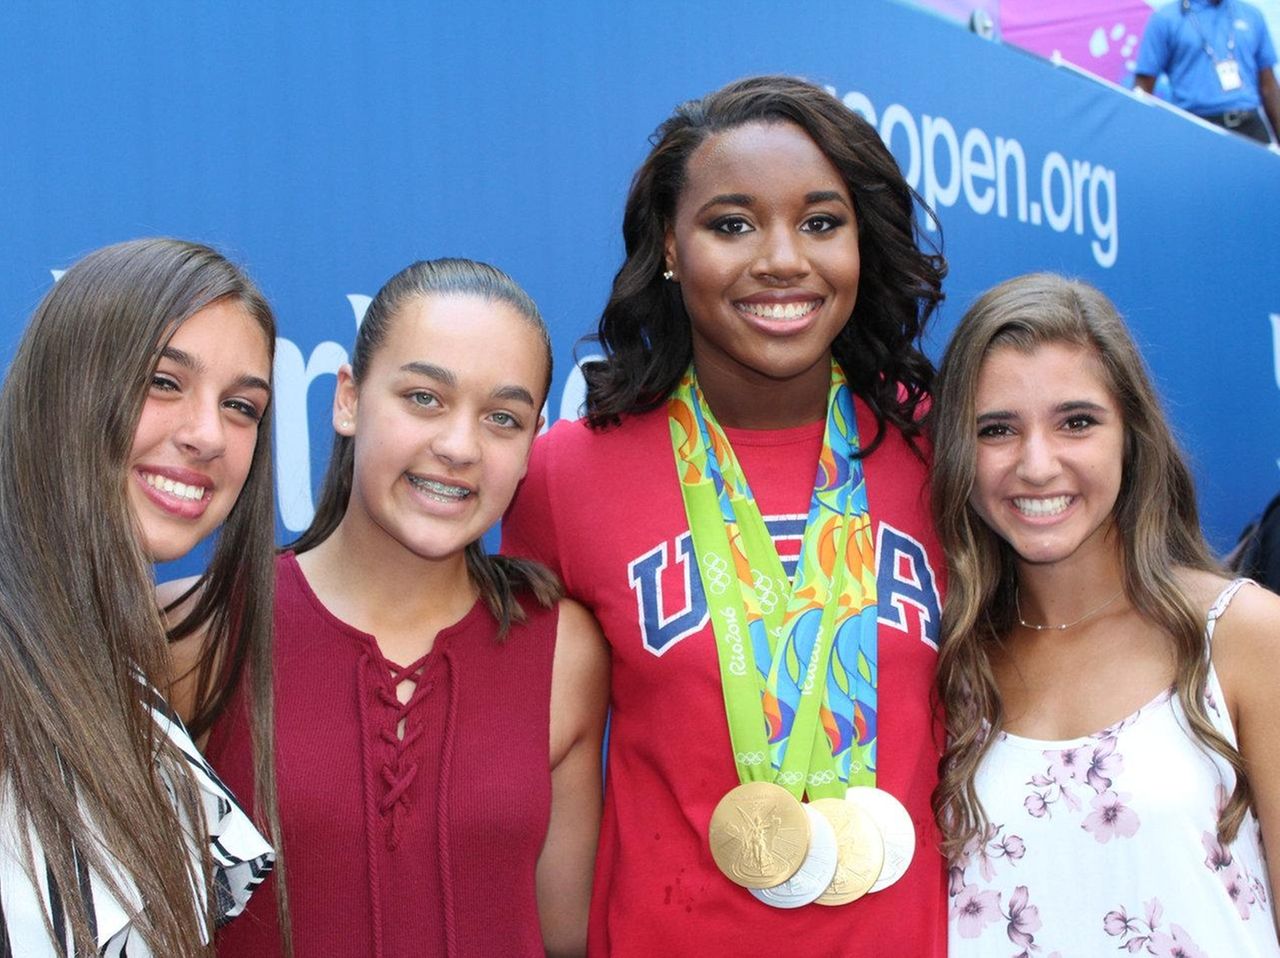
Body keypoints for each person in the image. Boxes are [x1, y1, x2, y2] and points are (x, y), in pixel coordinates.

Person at [502, 75, 948, 956]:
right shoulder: (567, 473)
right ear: (671, 246)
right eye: (732, 224)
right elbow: (522, 768)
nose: (782, 259)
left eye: (822, 222)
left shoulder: (943, 448)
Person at [202, 258, 609, 958]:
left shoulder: (563, 650)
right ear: (349, 400)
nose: (458, 447)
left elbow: (566, 936)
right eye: (424, 398)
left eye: (502, 419)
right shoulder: (201, 634)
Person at [932, 273, 1280, 955]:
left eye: (1076, 422)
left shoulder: (1243, 635)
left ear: (1132, 435)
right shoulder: (947, 665)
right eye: (997, 430)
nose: (1037, 464)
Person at [0, 238, 279, 956]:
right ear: (63, 384)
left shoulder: (128, 679)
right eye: (163, 382)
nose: (208, 435)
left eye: (242, 406)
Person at [1134, 0, 1280, 145]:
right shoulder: (1166, 18)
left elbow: (1269, 87)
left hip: (1249, 124)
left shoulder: (1251, 15)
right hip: (1195, 127)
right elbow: (1143, 89)